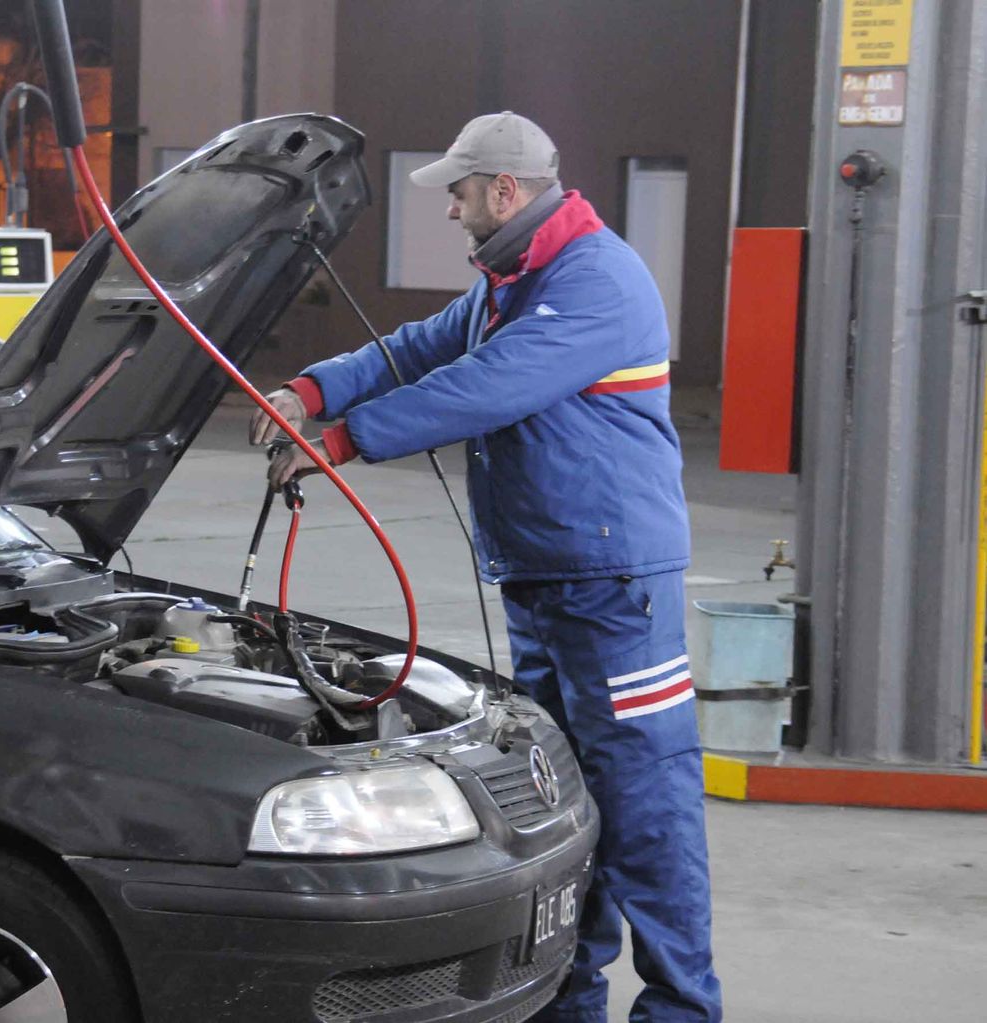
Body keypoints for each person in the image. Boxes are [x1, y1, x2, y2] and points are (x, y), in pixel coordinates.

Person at [252, 112, 721, 1022]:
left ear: (505, 191)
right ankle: (567, 1002)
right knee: (569, 808)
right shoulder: (516, 279)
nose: (451, 209)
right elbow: (423, 346)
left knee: (648, 806)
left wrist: (342, 441)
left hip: (616, 588)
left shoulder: (595, 282)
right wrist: (310, 389)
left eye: (460, 192)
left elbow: (486, 384)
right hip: (550, 581)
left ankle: (682, 1009)